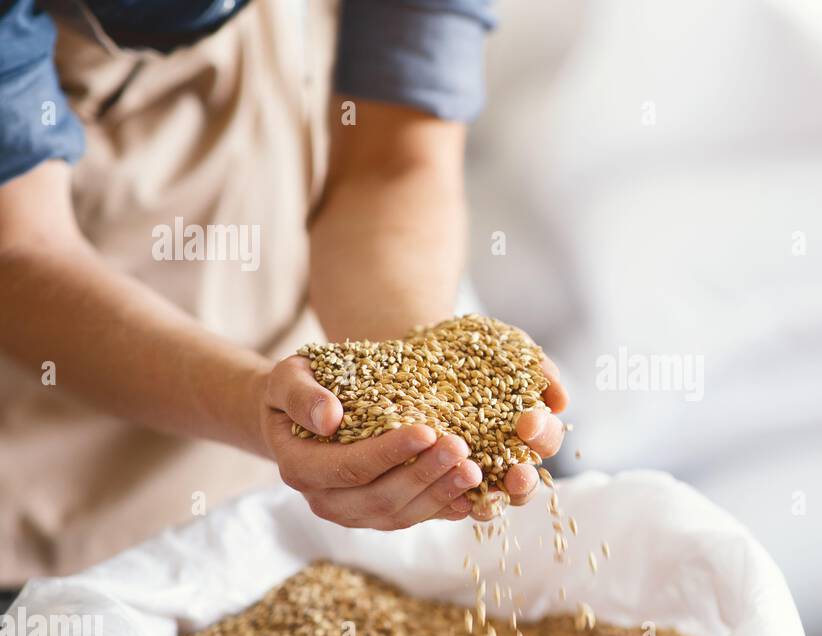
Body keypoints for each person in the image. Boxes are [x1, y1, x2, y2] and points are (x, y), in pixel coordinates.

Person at [0, 0, 568, 598]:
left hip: (272, 506)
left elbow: (391, 164)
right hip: (56, 499)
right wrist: (255, 404)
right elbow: (19, 252)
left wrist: (414, 375)